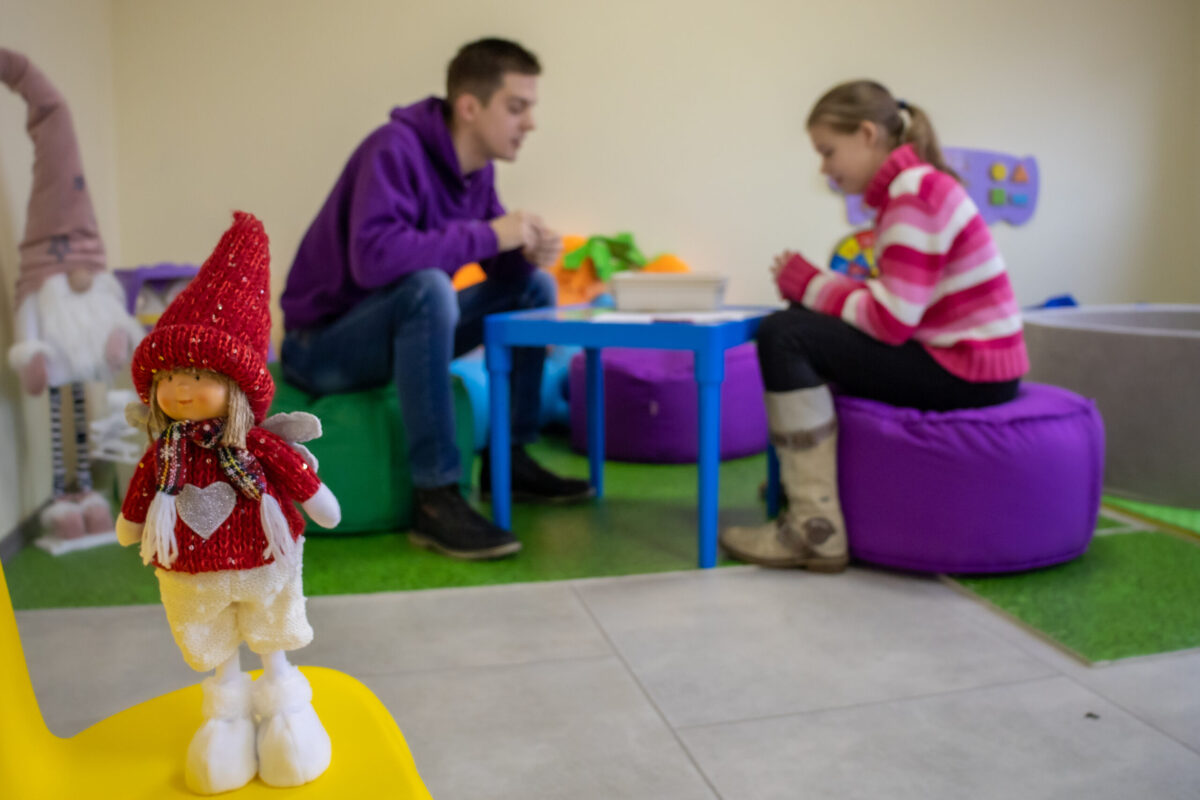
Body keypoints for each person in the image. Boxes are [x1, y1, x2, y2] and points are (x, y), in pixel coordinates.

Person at [280, 38, 592, 562]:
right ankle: (435, 496)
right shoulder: (392, 149)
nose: (530, 123)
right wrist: (492, 234)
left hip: (395, 329)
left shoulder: (476, 171)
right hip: (321, 346)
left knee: (533, 288)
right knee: (429, 288)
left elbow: (493, 261)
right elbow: (374, 259)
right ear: (470, 106)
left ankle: (510, 459)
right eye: (517, 107)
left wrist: (524, 252)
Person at [720, 80, 1029, 572]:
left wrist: (813, 285)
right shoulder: (915, 188)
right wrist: (817, 292)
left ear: (867, 134)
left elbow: (890, 321)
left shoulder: (913, 194)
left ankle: (813, 528)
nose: (824, 169)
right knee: (804, 324)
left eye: (828, 152)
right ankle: (805, 489)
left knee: (786, 334)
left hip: (965, 369)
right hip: (973, 364)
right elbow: (898, 304)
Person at [117, 213, 341, 793]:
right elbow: (140, 499)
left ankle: (285, 708)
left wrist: (317, 499)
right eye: (169, 375)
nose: (181, 389)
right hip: (193, 574)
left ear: (239, 386)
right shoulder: (165, 454)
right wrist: (132, 521)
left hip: (265, 560)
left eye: (199, 374)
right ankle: (226, 719)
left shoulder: (255, 447)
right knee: (212, 636)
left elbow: (297, 478)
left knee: (272, 629)